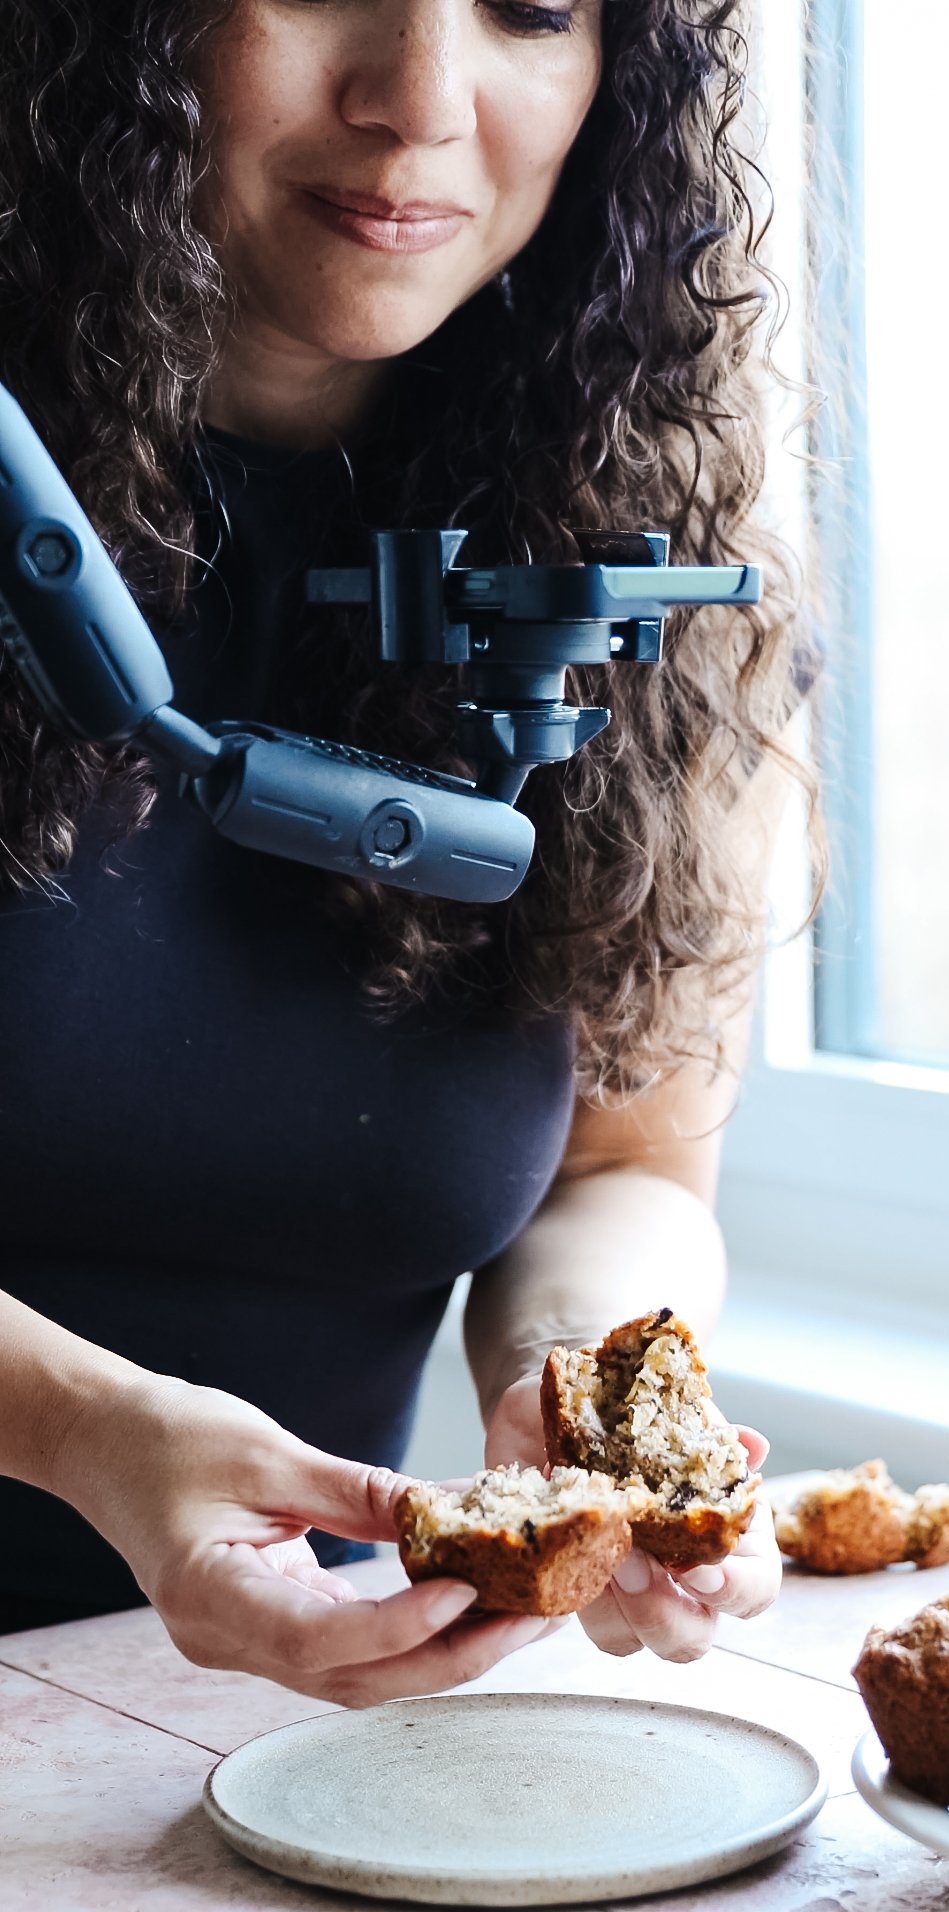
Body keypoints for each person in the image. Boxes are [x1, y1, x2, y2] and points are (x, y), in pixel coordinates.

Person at [0, 0, 813, 1706]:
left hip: (244, 1753)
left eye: (533, 8)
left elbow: (625, 1170)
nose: (420, 102)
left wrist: (582, 1386)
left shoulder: (634, 590)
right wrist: (88, 1432)